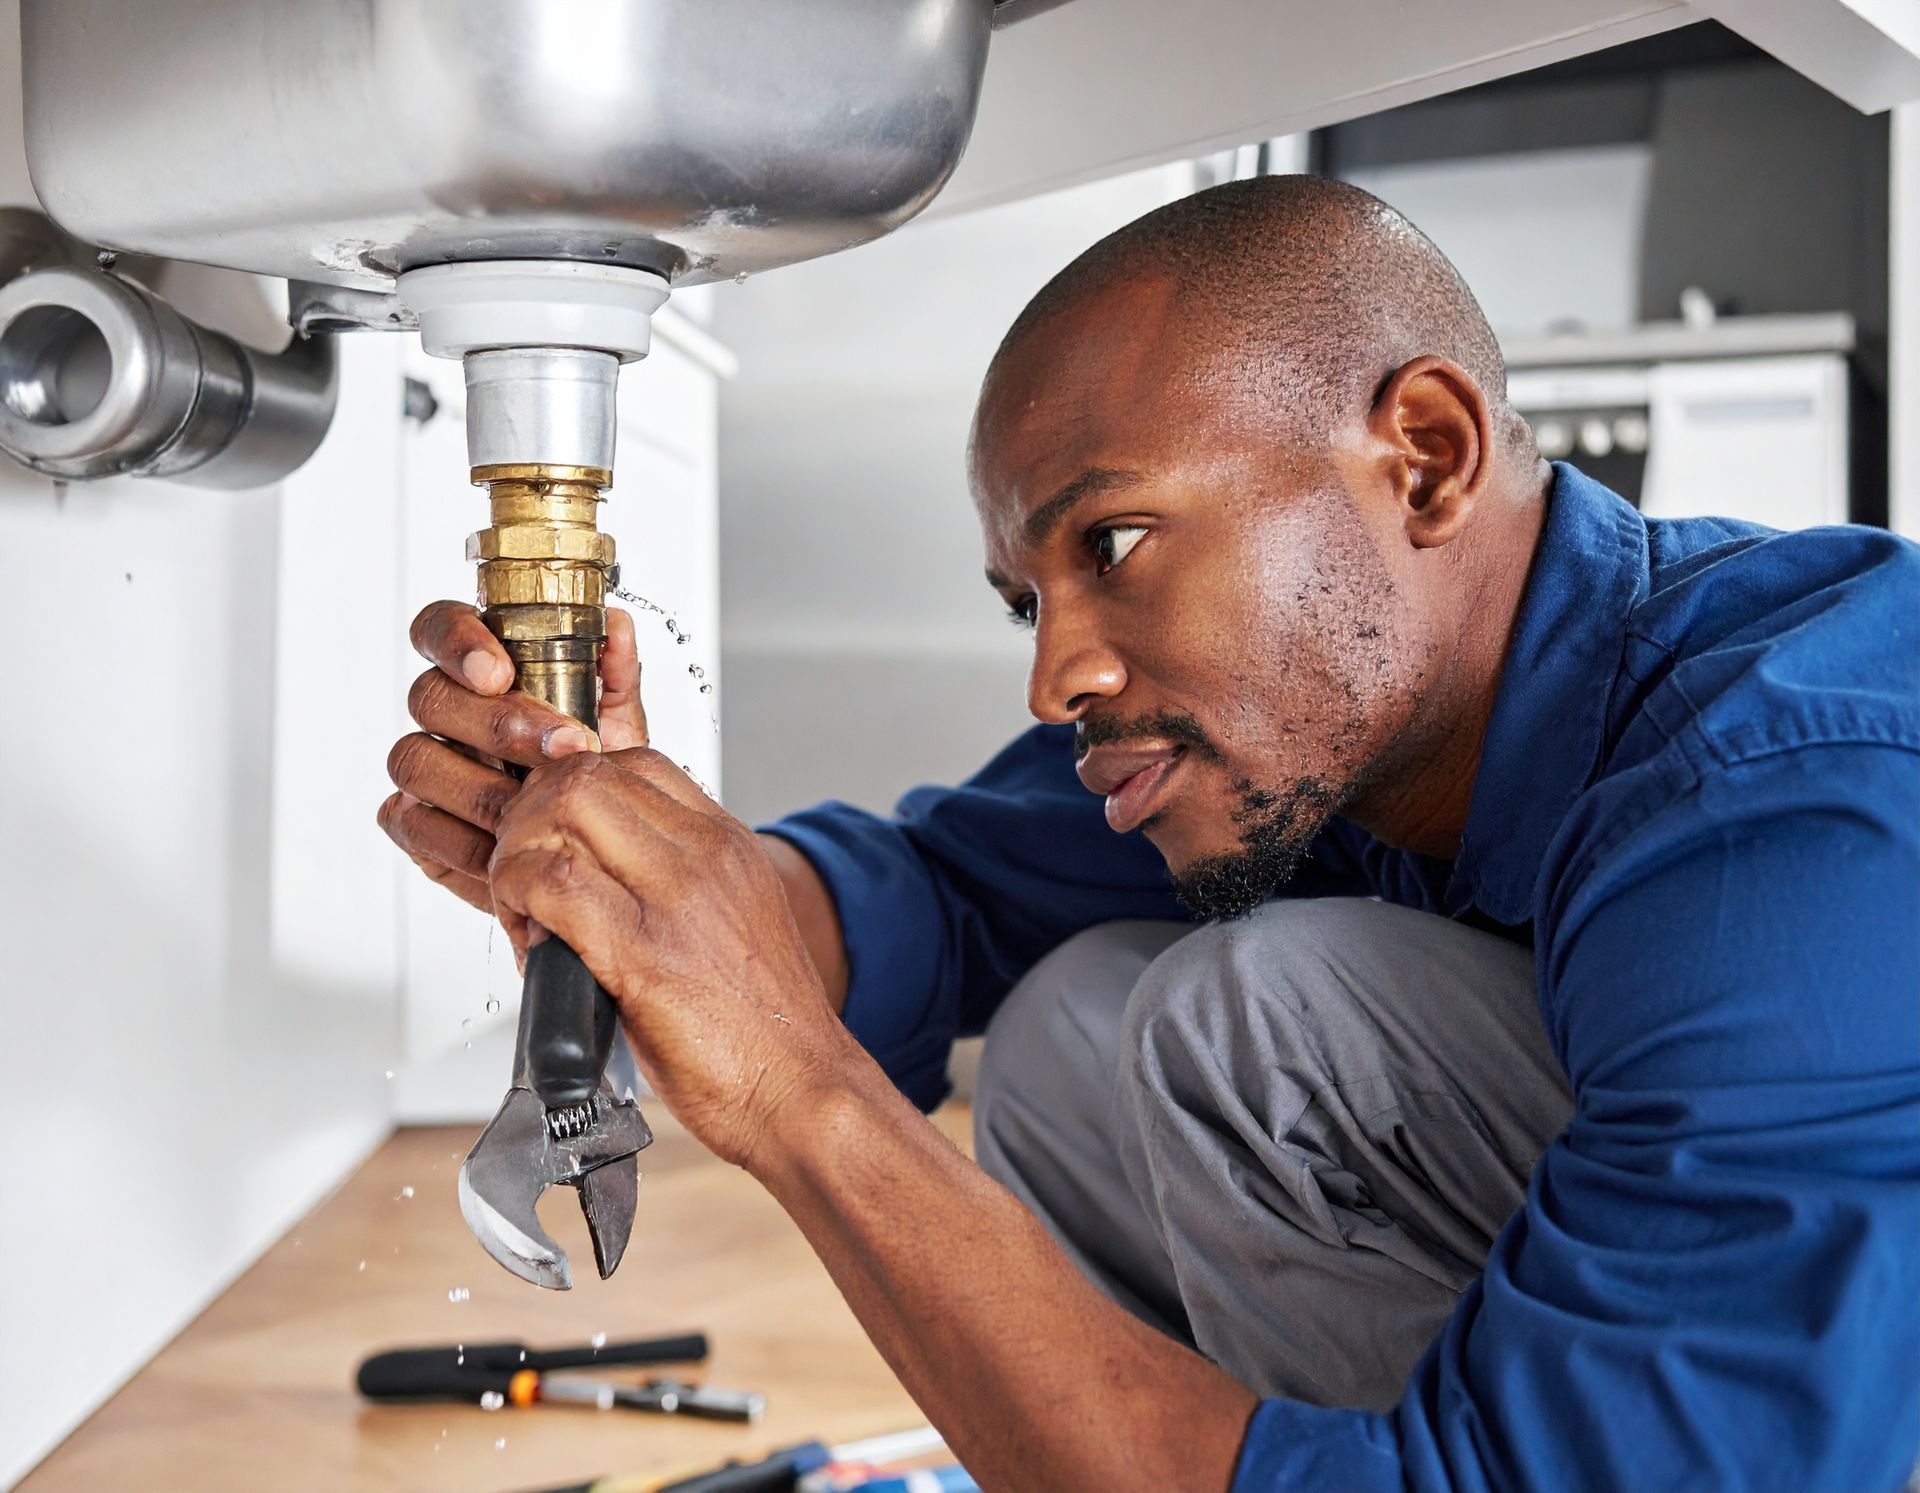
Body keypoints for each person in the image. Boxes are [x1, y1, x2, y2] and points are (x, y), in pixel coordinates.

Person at [378, 176, 1920, 1491]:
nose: (1057, 670)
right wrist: (648, 889)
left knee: (1250, 1020)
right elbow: (945, 894)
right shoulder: (1315, 727)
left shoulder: (1785, 824)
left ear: (1426, 458)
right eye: (1029, 600)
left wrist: (797, 1089)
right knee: (1073, 1035)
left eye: (1112, 544)